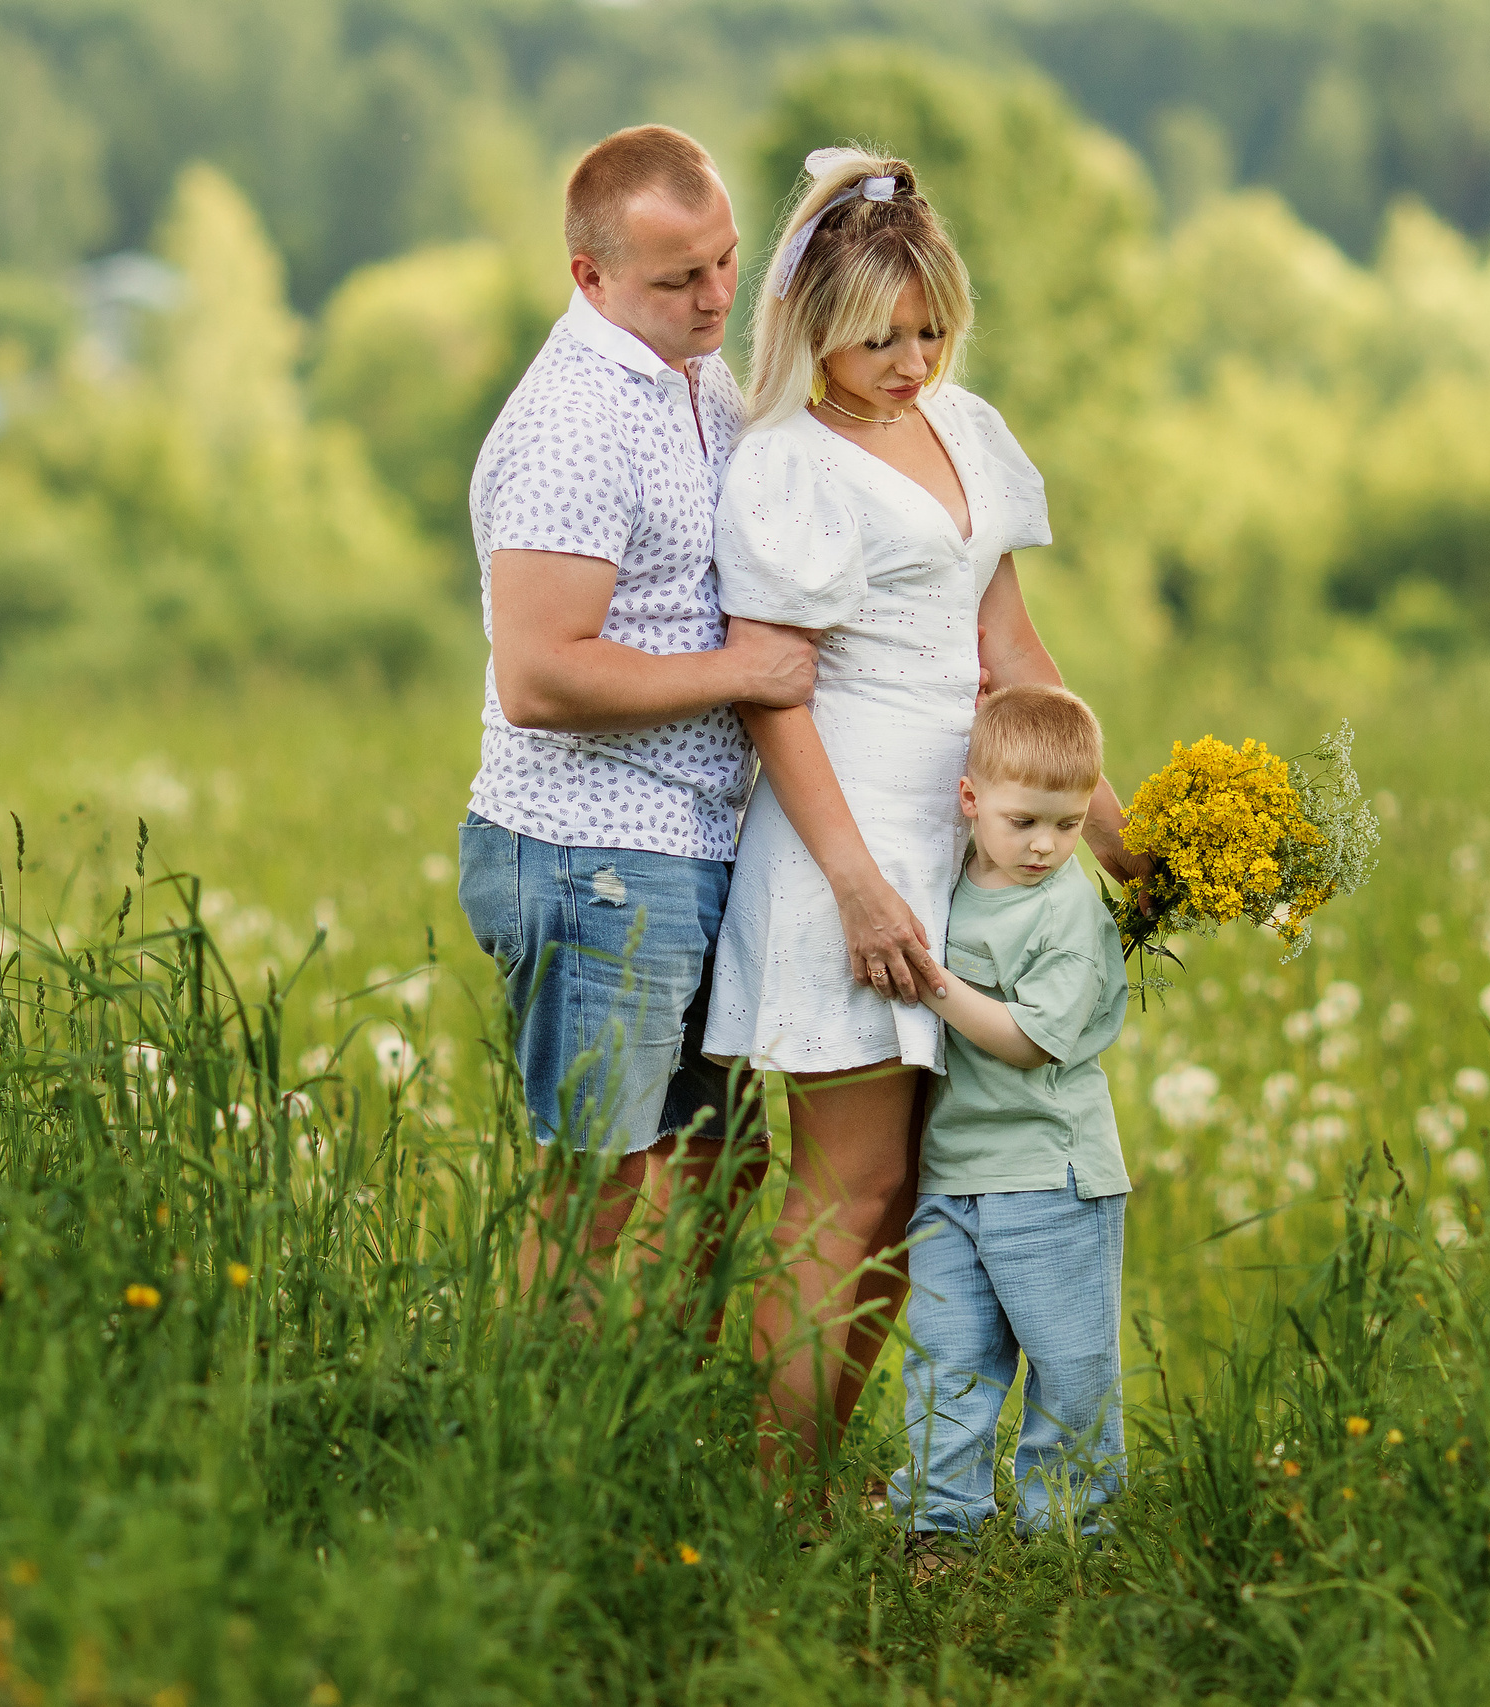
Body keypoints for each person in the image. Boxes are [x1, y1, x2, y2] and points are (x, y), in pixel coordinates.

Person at [704, 147, 1155, 1465]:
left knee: (905, 1196)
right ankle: (776, 1490)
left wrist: (1128, 841)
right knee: (840, 1189)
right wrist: (856, 884)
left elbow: (1012, 653)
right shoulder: (786, 463)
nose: (910, 359)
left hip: (957, 853)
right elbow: (773, 696)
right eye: (878, 337)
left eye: (931, 328)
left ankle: (819, 1468)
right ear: (814, 327)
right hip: (842, 843)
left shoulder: (964, 429)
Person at [456, 125, 817, 1296]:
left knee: (728, 1161)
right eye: (677, 279)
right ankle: (541, 1457)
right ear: (589, 278)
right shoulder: (577, 421)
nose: (716, 297)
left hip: (692, 842)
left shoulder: (691, 376)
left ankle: (675, 1432)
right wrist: (746, 674)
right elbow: (540, 676)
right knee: (599, 1192)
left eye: (722, 261)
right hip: (591, 853)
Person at [888, 685, 1132, 1568]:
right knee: (948, 1355)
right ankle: (938, 1522)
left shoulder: (1066, 909)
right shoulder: (949, 876)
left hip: (1051, 1173)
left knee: (1068, 1367)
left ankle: (1069, 1530)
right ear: (970, 800)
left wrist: (931, 981)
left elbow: (1030, 1042)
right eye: (1025, 819)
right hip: (953, 1173)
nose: (1044, 845)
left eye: (1067, 826)